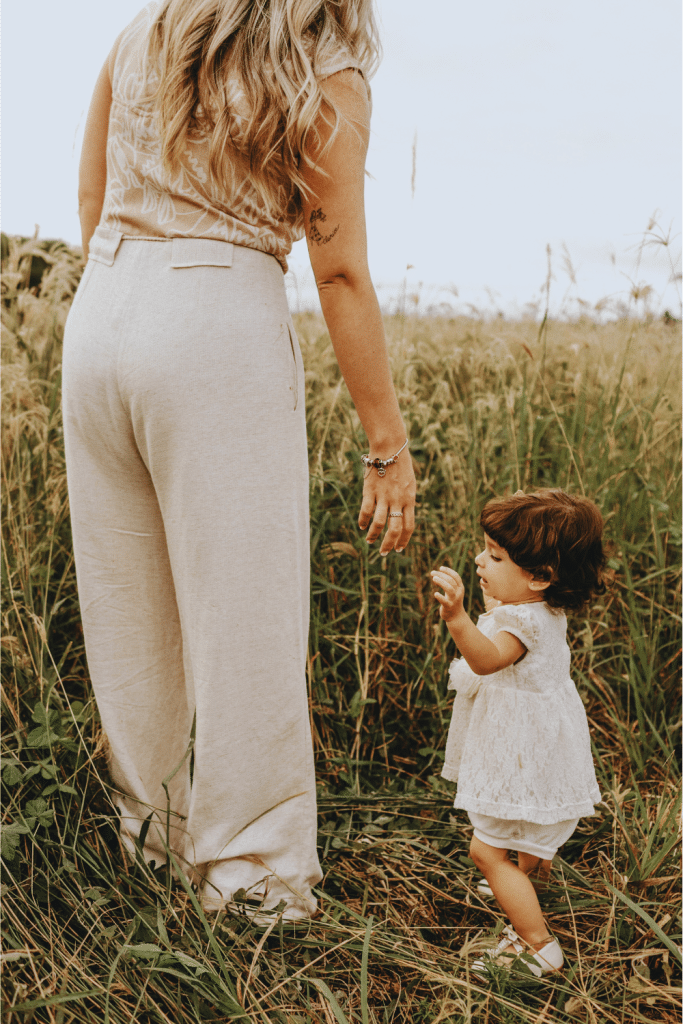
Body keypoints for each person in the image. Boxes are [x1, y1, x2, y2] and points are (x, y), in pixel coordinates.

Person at [62, 0, 415, 921]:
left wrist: (125, 286)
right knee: (245, 612)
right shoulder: (321, 69)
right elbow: (338, 270)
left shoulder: (146, 30)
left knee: (126, 602)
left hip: (102, 307)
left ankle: (152, 840)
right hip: (215, 312)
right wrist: (387, 442)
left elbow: (92, 200)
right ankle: (253, 878)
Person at [430, 490, 604, 976]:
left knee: (485, 851)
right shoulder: (542, 609)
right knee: (526, 837)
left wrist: (457, 617)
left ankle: (536, 944)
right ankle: (526, 875)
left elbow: (485, 661)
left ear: (540, 576)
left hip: (517, 754)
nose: (480, 560)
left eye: (495, 555)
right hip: (545, 747)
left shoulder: (518, 622)